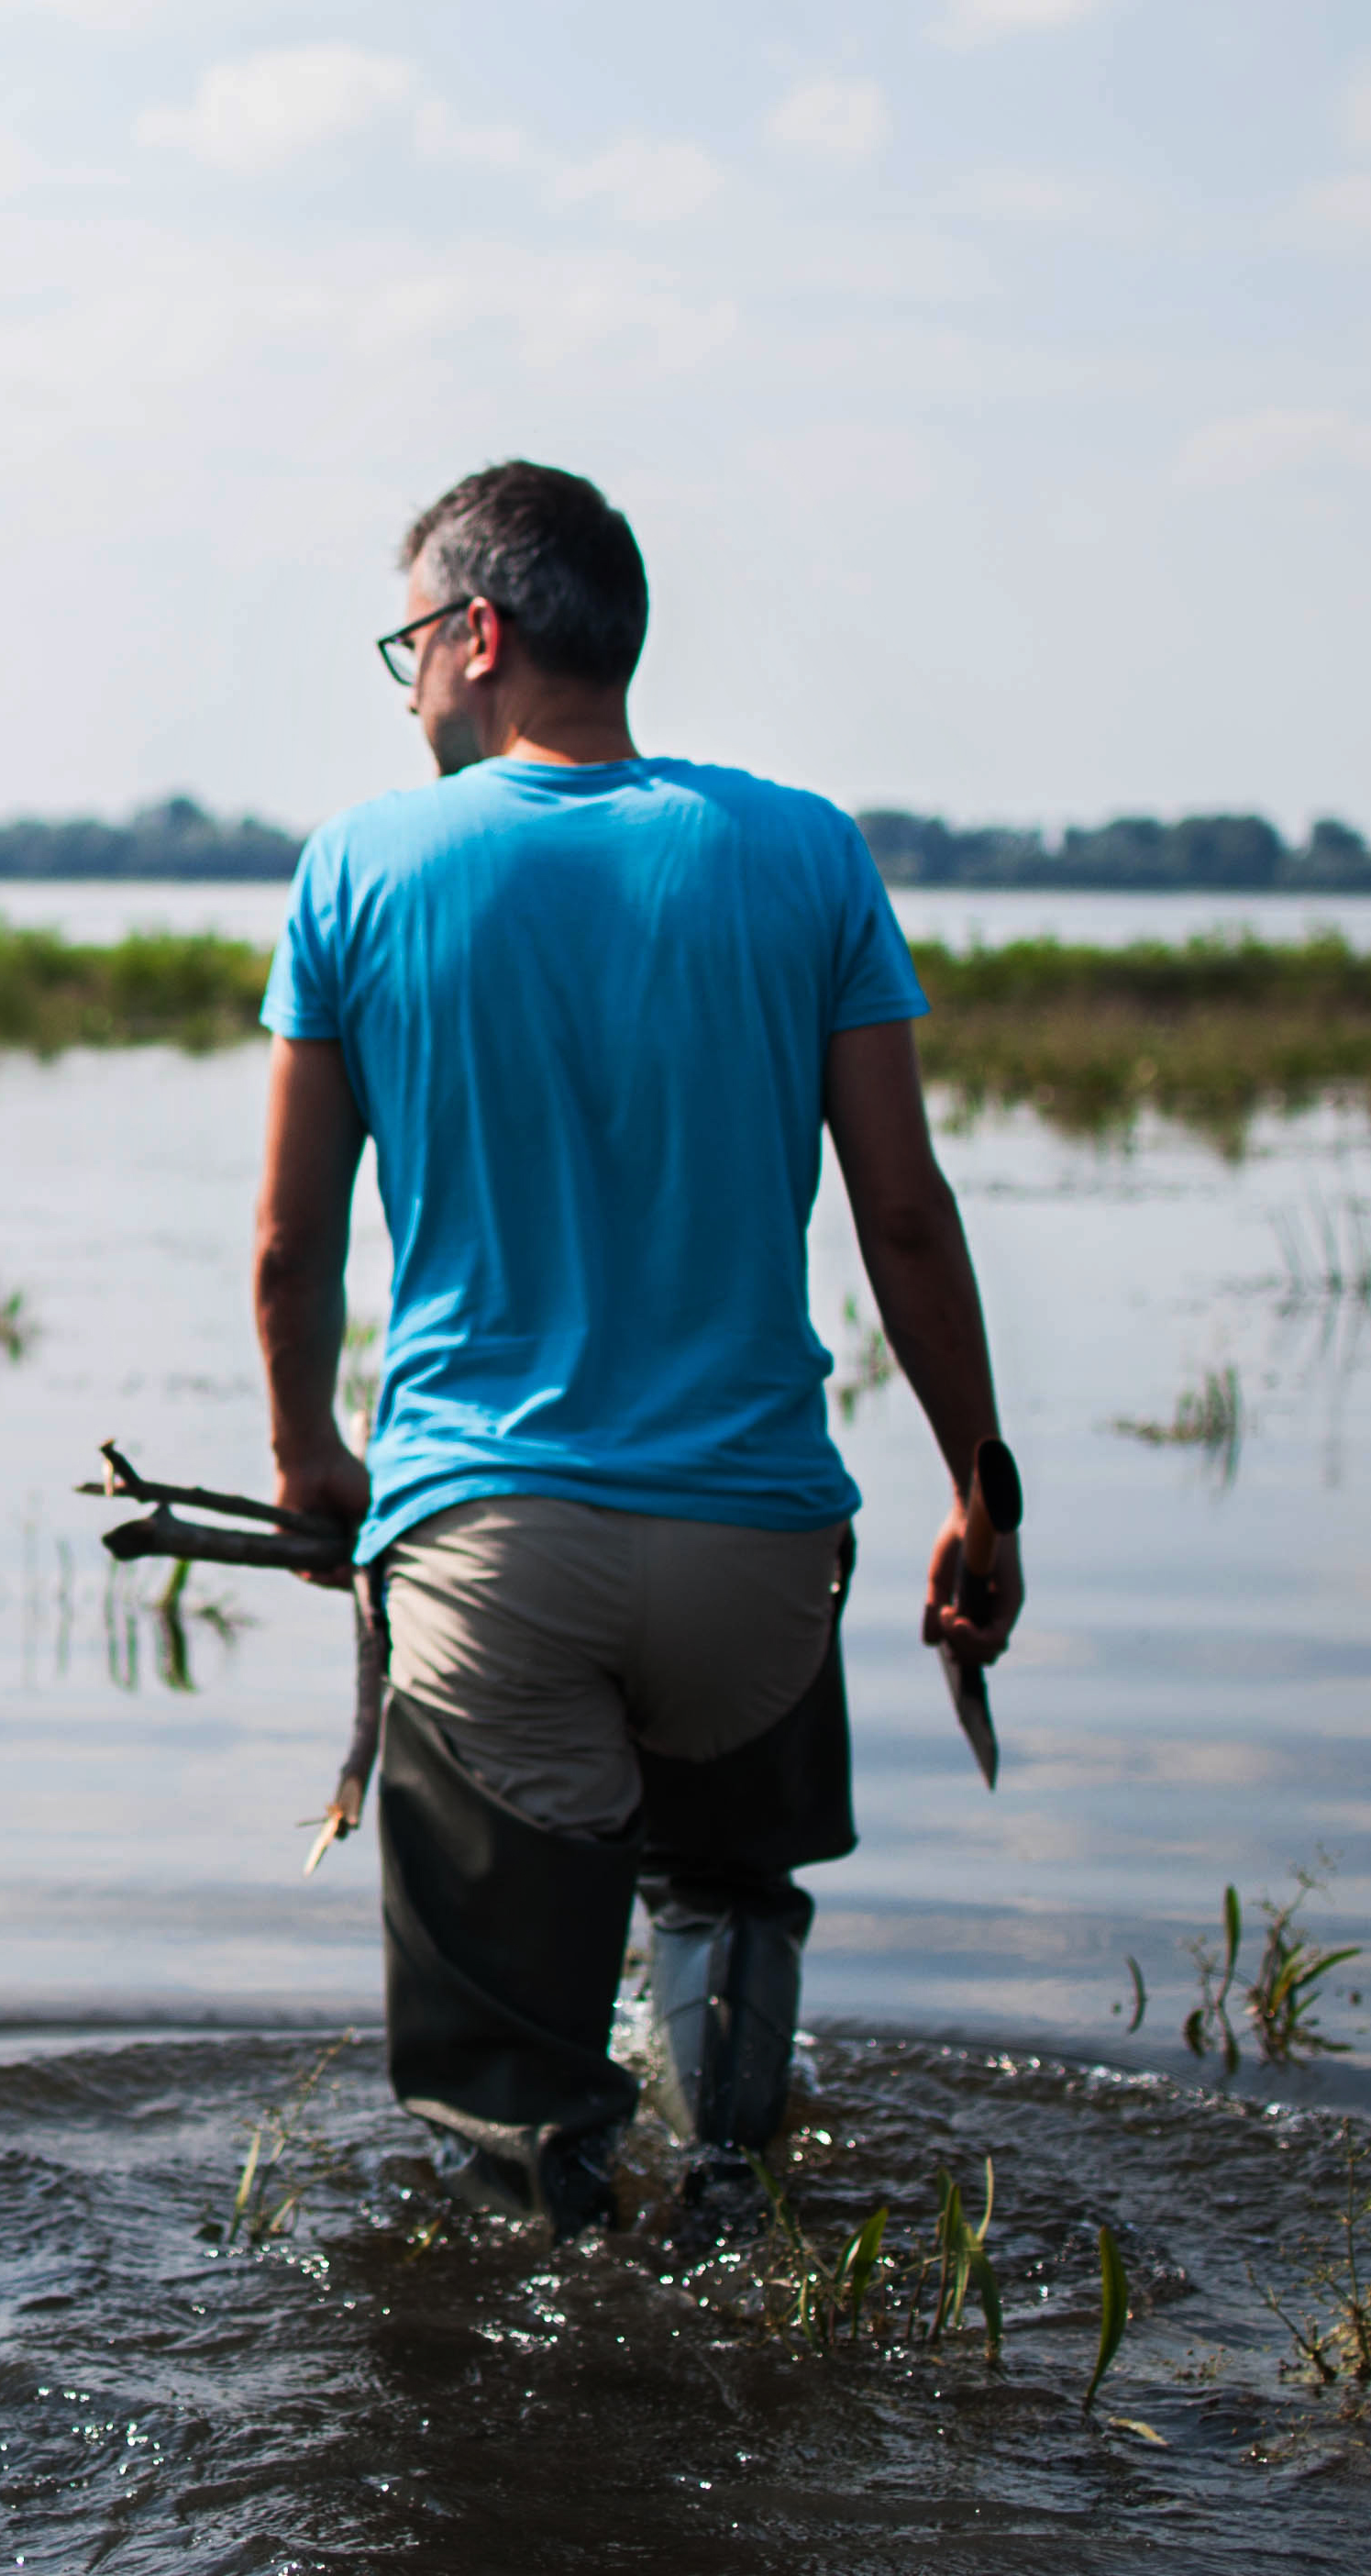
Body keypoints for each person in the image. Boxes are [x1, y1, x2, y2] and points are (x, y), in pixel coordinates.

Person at [249, 461, 1022, 2235]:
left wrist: (309, 1466)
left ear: (480, 633)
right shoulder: (806, 852)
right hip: (758, 1550)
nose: (409, 685)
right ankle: (733, 2207)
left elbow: (293, 1244)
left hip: (492, 1552)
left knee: (510, 2120)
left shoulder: (362, 865)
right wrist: (984, 1496)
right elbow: (907, 1217)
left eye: (409, 645)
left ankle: (545, 2296)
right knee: (725, 1910)